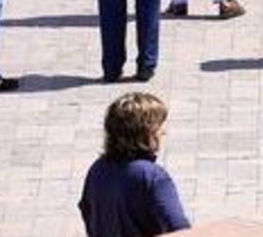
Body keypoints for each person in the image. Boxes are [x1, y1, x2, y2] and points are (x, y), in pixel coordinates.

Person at [78, 92, 190, 236]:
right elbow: (179, 228)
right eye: (159, 127)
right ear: (145, 132)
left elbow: (87, 213)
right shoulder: (152, 176)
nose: (163, 132)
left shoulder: (98, 168)